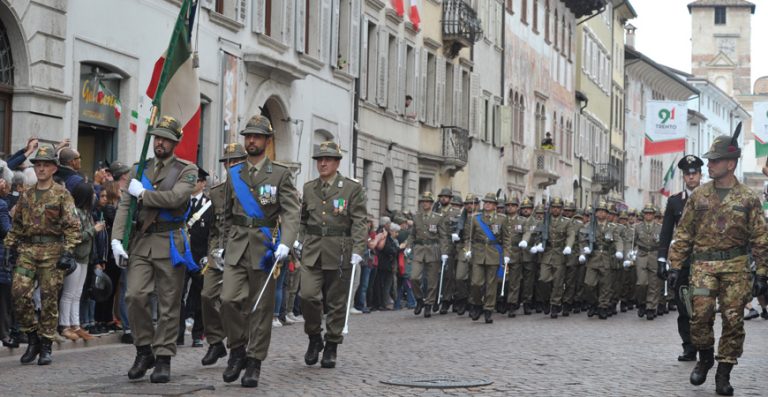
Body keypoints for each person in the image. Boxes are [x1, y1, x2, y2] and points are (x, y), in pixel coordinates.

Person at [668, 129, 768, 396]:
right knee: (699, 316)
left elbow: (760, 237)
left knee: (734, 321)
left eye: (715, 160)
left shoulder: (748, 198)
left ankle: (724, 372)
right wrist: (675, 266)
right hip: (703, 267)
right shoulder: (699, 196)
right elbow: (684, 233)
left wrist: (762, 272)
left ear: (731, 164)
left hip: (736, 267)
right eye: (709, 160)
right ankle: (705, 358)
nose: (709, 165)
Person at [111, 116, 198, 383]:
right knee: (134, 296)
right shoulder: (140, 168)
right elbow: (126, 206)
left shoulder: (186, 169)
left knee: (169, 304)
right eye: (157, 137)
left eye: (166, 139)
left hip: (171, 242)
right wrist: (116, 239)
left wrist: (144, 195)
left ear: (175, 142)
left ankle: (163, 358)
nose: (160, 142)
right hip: (142, 242)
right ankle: (143, 350)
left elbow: (176, 198)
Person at [218, 115, 299, 387]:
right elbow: (226, 216)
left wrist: (286, 241)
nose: (251, 140)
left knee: (261, 309)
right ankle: (237, 348)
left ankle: (254, 361)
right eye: (247, 136)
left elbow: (290, 211)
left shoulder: (280, 174)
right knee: (228, 299)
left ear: (267, 141)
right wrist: (221, 245)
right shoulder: (234, 174)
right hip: (237, 247)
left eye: (256, 136)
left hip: (265, 248)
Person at [5, 144, 81, 365]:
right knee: (19, 293)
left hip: (53, 251)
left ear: (54, 168)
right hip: (27, 250)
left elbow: (72, 227)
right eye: (38, 164)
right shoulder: (26, 195)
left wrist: (68, 251)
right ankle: (32, 338)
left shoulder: (62, 195)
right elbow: (17, 225)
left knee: (48, 298)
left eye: (45, 165)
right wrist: (10, 247)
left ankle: (46, 344)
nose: (41, 169)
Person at [297, 140, 366, 369]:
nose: (322, 163)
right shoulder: (309, 188)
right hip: (313, 251)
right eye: (319, 159)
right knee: (308, 296)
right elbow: (303, 219)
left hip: (340, 251)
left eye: (327, 159)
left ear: (337, 162)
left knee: (337, 303)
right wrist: (298, 240)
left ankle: (332, 344)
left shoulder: (351, 188)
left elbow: (358, 221)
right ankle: (314, 337)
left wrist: (358, 249)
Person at [201, 142, 247, 366]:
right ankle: (216, 341)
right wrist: (212, 251)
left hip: (243, 252)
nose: (231, 166)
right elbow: (213, 227)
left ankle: (239, 344)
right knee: (207, 295)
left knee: (235, 301)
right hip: (218, 252)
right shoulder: (217, 192)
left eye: (236, 161)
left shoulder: (252, 191)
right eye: (228, 162)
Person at [658, 154, 703, 361]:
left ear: (700, 175)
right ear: (684, 177)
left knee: (703, 305)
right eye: (687, 174)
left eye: (694, 174)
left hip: (704, 263)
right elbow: (666, 232)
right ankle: (689, 347)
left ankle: (704, 345)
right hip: (683, 263)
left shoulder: (709, 198)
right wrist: (661, 259)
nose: (691, 177)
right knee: (684, 306)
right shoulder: (675, 202)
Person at [60, 183, 103, 341]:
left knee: (77, 293)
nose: (94, 197)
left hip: (85, 257)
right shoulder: (75, 212)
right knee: (69, 293)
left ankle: (76, 325)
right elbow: (75, 237)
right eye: (91, 194)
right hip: (74, 256)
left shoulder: (87, 213)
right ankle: (65, 326)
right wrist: (94, 230)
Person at [464, 193, 511, 324]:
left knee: (491, 284)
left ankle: (488, 309)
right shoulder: (475, 218)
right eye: (486, 202)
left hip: (494, 254)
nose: (487, 204)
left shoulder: (502, 219)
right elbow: (468, 238)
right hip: (478, 253)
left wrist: (507, 255)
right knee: (476, 283)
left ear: (495, 206)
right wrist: (467, 250)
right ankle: (477, 304)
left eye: (490, 203)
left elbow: (506, 239)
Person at [178, 168, 211, 347]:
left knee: (200, 296)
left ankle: (198, 334)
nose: (193, 184)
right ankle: (178, 333)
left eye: (196, 180)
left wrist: (208, 255)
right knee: (178, 296)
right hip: (182, 255)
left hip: (199, 258)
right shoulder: (182, 202)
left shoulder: (209, 205)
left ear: (203, 183)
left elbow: (212, 233)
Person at [405, 192, 450, 318]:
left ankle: (429, 304)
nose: (425, 203)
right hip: (419, 249)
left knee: (432, 280)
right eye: (423, 201)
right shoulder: (417, 217)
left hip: (433, 249)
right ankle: (419, 299)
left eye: (427, 201)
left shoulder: (438, 217)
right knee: (414, 277)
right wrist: (408, 246)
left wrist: (444, 252)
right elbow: (412, 234)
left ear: (431, 203)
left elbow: (443, 237)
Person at [632, 204, 662, 320]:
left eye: (650, 213)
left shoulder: (660, 228)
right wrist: (631, 254)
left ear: (654, 215)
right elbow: (633, 242)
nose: (648, 215)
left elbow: (664, 244)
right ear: (643, 215)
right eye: (646, 213)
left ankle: (651, 307)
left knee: (654, 283)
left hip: (654, 255)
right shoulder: (637, 227)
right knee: (641, 283)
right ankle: (642, 303)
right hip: (642, 255)